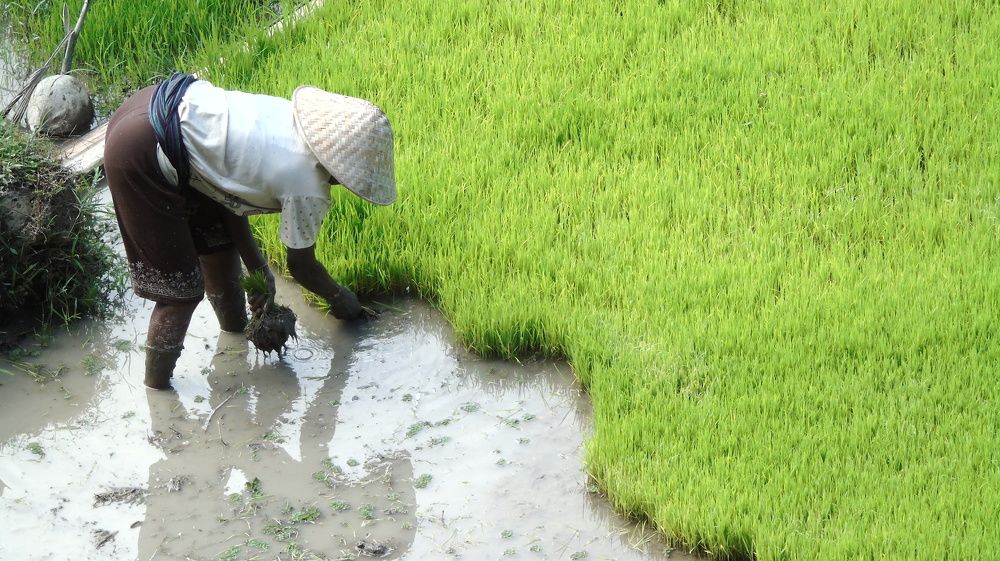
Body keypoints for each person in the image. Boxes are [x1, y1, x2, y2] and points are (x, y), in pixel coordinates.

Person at [103, 72, 395, 390]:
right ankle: (157, 396)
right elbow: (302, 266)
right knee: (181, 293)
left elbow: (229, 190)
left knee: (219, 246)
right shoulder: (306, 184)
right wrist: (341, 300)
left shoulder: (285, 118)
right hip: (140, 152)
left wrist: (257, 267)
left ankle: (234, 335)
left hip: (152, 104)